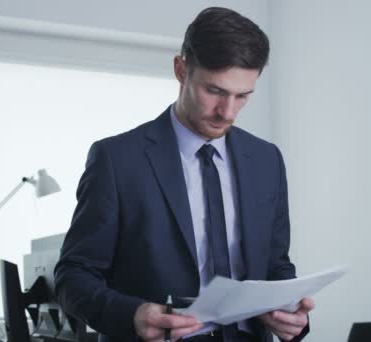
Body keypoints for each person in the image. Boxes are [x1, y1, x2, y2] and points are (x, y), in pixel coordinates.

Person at [54, 7, 313, 342]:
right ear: (181, 69)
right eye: (215, 91)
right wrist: (131, 315)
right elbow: (73, 275)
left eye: (242, 96)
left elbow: (276, 264)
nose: (227, 112)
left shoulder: (267, 160)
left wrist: (290, 315)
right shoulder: (117, 159)